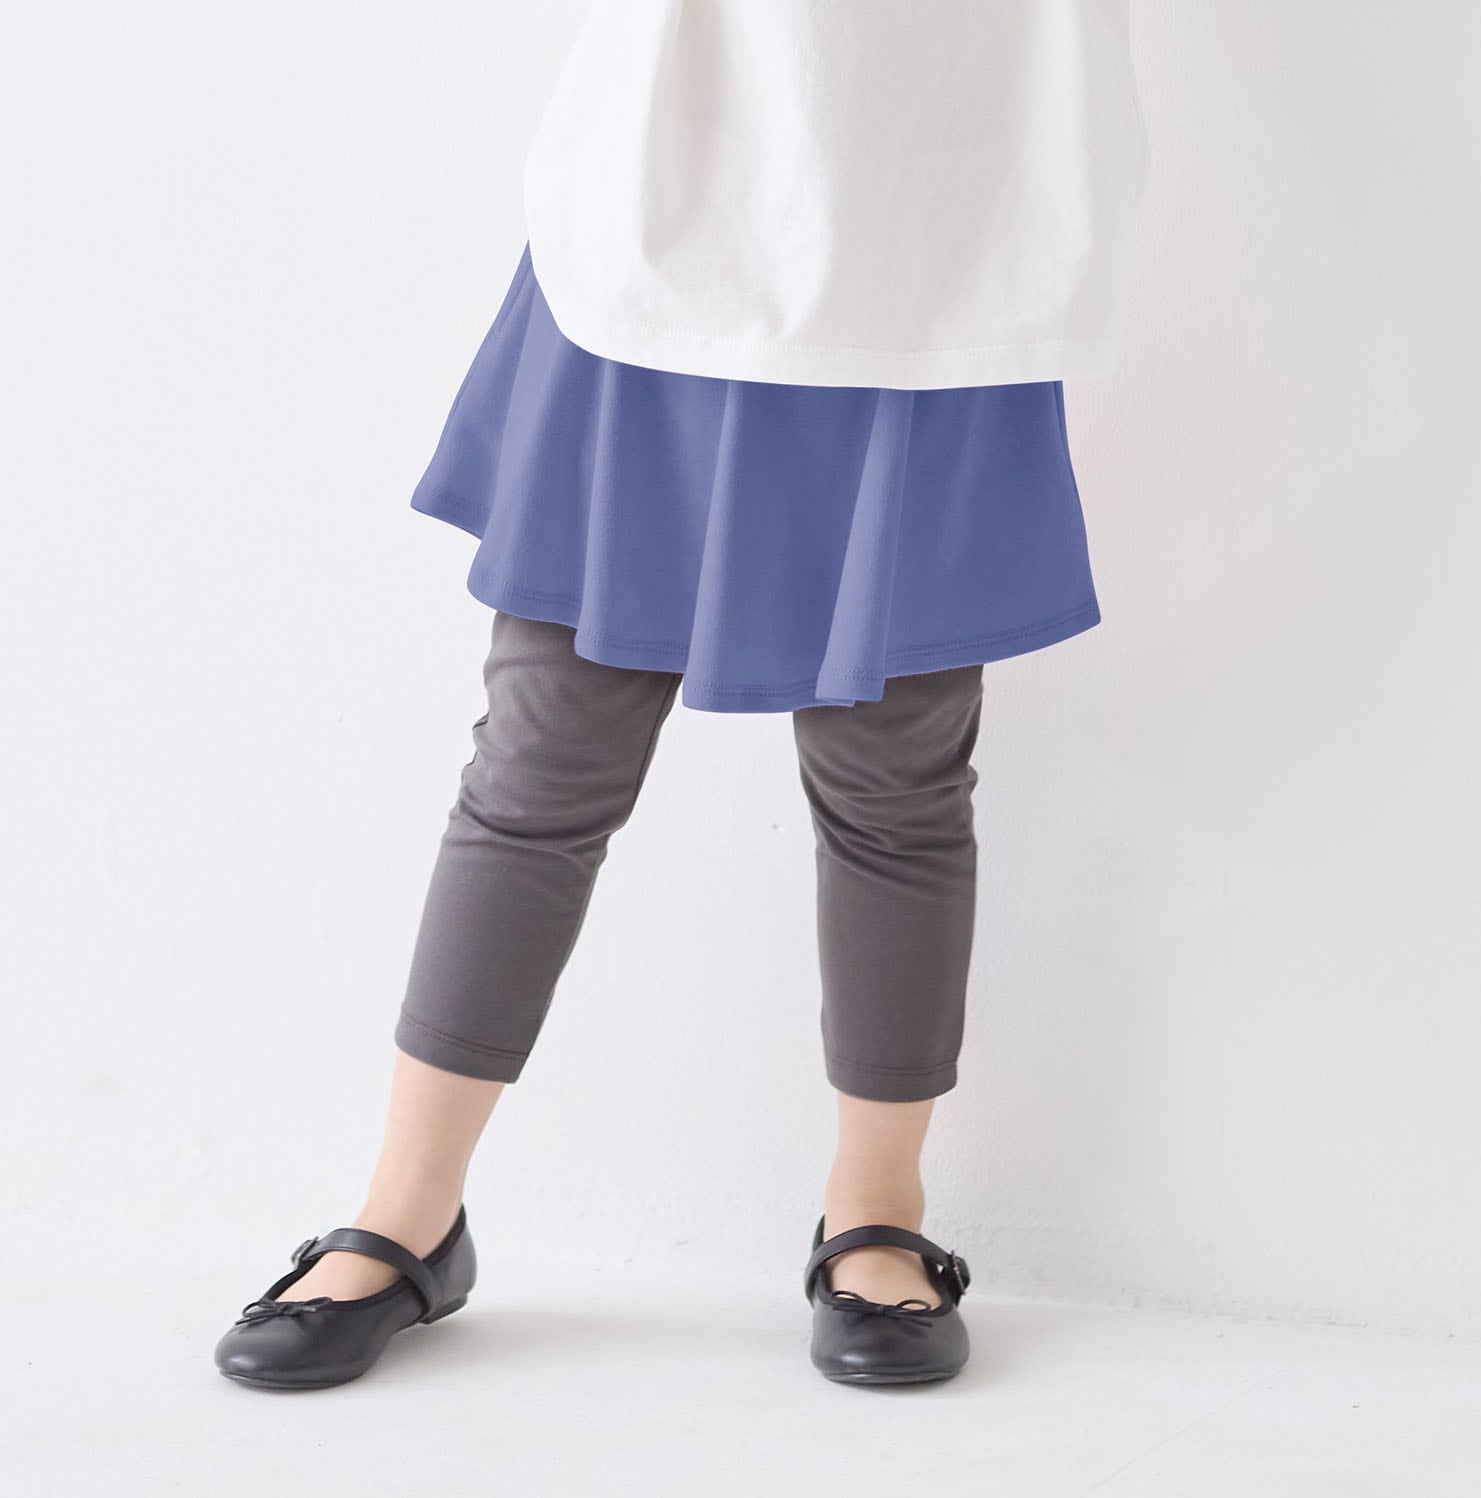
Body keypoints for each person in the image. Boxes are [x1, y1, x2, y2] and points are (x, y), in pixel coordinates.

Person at [213, 0, 1149, 1390]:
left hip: (933, 232)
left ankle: (877, 1214)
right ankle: (408, 1217)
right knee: (543, 758)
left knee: (895, 776)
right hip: (669, 216)